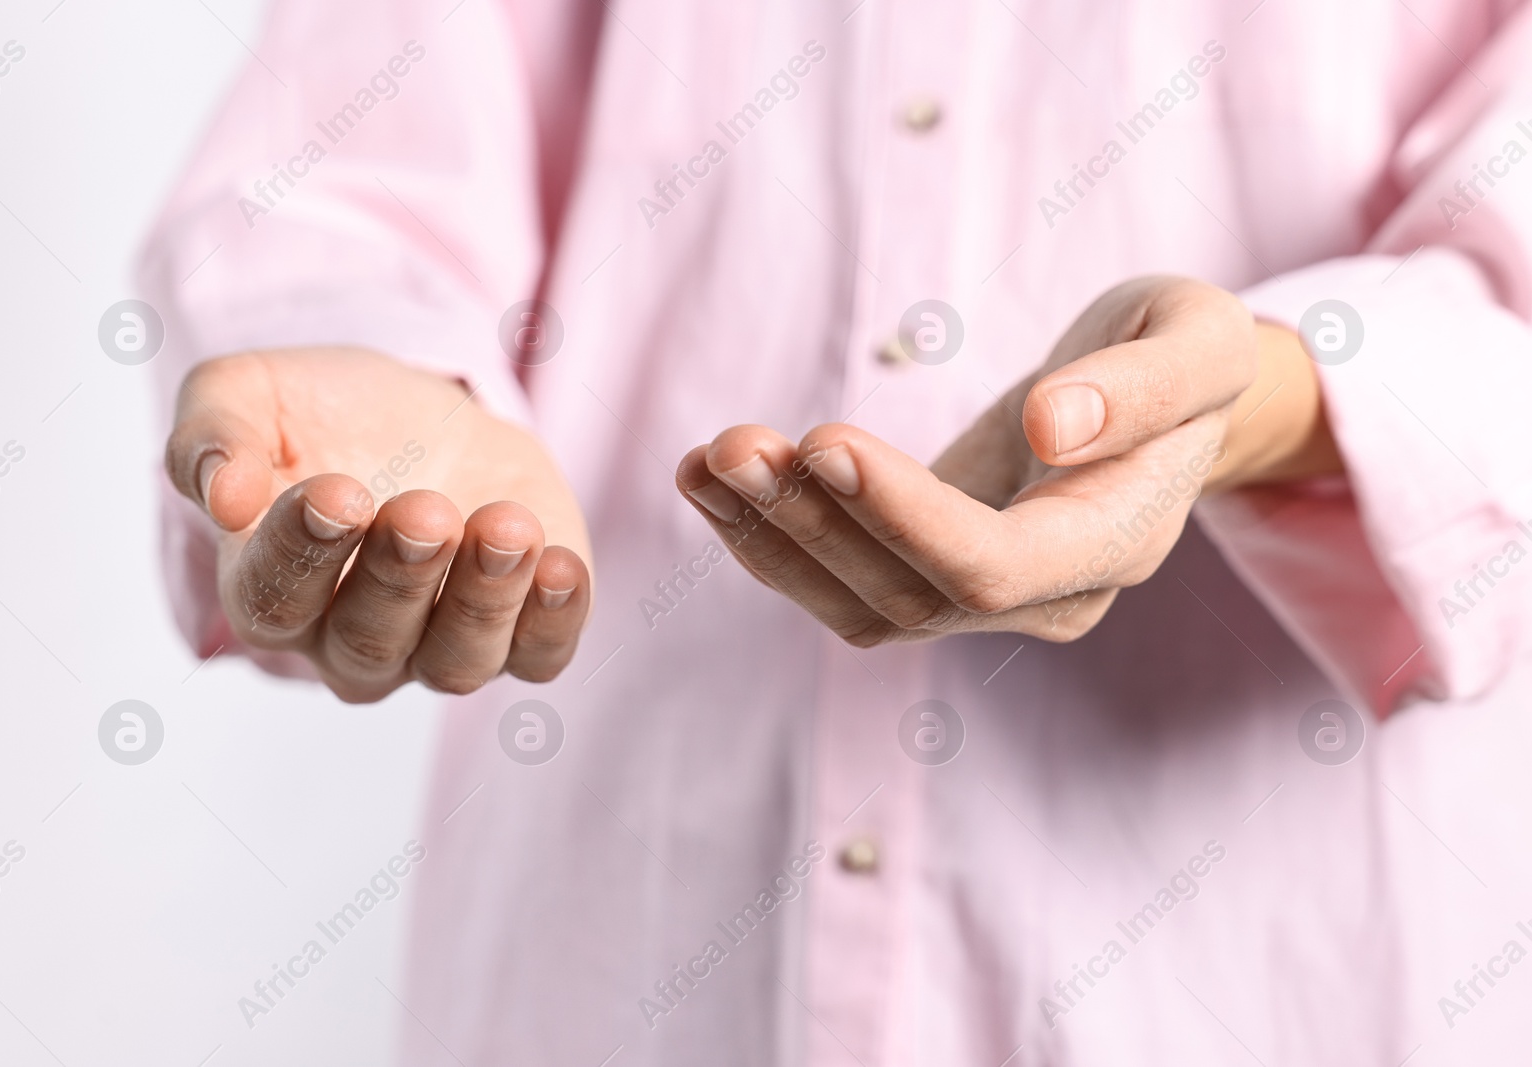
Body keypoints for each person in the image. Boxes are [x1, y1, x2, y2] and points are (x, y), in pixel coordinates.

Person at [141, 0, 1532, 1062]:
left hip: (1266, 962)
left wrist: (1266, 396)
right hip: (624, 946)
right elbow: (344, 173)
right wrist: (372, 382)